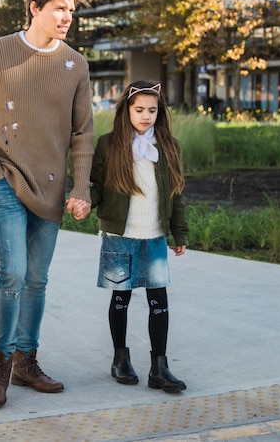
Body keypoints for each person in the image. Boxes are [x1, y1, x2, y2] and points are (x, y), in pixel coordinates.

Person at [0, 0, 94, 408]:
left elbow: (82, 134)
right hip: (8, 183)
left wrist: (83, 187)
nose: (67, 16)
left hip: (53, 190)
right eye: (59, 8)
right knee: (13, 274)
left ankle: (25, 362)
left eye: (71, 10)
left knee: (37, 279)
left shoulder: (76, 64)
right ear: (34, 8)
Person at [90, 80, 188, 393]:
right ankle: (120, 359)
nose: (146, 115)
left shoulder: (168, 146)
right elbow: (96, 186)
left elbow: (177, 193)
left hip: (155, 234)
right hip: (120, 233)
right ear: (126, 110)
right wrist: (83, 200)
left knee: (159, 300)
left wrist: (179, 231)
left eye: (152, 110)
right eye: (139, 109)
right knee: (121, 296)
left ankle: (159, 367)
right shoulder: (108, 145)